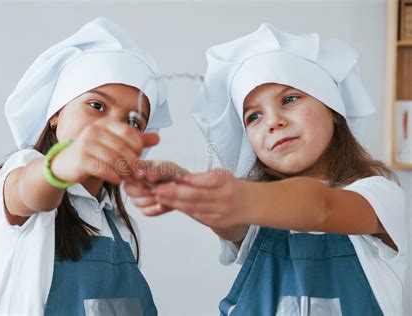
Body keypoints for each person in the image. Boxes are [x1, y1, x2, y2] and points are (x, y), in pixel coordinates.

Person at [125, 23, 407, 315]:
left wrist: (236, 197)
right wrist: (182, 184)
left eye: (289, 99)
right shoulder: (255, 209)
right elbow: (230, 221)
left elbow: (320, 207)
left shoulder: (378, 195)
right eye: (254, 116)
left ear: (333, 109)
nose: (273, 121)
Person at [0, 17, 171, 315]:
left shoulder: (115, 221)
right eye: (97, 106)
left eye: (133, 121)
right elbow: (30, 190)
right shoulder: (27, 171)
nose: (113, 127)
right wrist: (60, 167)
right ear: (56, 113)